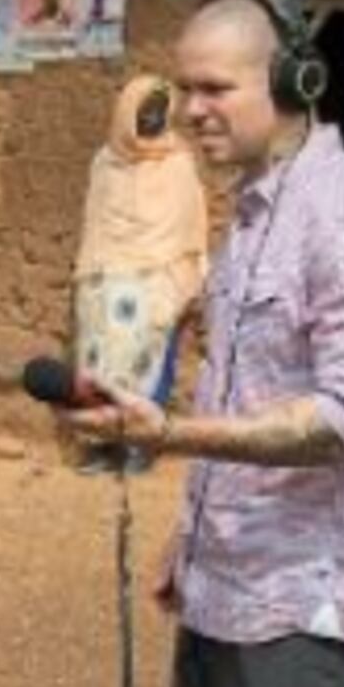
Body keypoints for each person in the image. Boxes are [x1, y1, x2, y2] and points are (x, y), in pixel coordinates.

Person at [64, 0, 344, 687]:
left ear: (298, 83)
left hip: (301, 615)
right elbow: (246, 390)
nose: (192, 109)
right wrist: (191, 533)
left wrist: (170, 436)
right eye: (185, 86)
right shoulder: (254, 217)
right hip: (220, 589)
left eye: (217, 87)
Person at [69, 74, 209, 473]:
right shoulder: (104, 161)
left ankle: (138, 445)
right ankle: (101, 445)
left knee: (146, 360)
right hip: (103, 275)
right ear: (125, 112)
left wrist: (189, 277)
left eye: (159, 111)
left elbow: (190, 225)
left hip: (157, 278)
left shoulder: (179, 162)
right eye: (144, 110)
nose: (151, 118)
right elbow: (94, 222)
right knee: (98, 365)